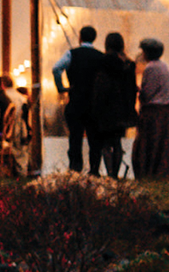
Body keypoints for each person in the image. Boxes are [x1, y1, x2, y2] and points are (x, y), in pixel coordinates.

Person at [54, 26, 103, 173]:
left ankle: (75, 169)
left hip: (76, 101)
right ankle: (94, 170)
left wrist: (61, 87)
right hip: (94, 104)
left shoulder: (71, 54)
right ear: (94, 38)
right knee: (94, 140)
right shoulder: (100, 56)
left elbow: (56, 68)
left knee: (75, 138)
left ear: (80, 37)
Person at [91, 32, 138, 177]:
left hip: (106, 108)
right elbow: (132, 88)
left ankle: (109, 172)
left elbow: (99, 85)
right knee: (117, 143)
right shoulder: (129, 64)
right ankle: (115, 174)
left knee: (106, 144)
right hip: (122, 109)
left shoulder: (101, 62)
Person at [135, 38, 169, 179]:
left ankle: (149, 172)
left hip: (153, 111)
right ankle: (161, 172)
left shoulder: (151, 68)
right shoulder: (163, 66)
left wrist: (139, 92)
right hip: (163, 109)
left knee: (149, 143)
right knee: (161, 143)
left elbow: (148, 92)